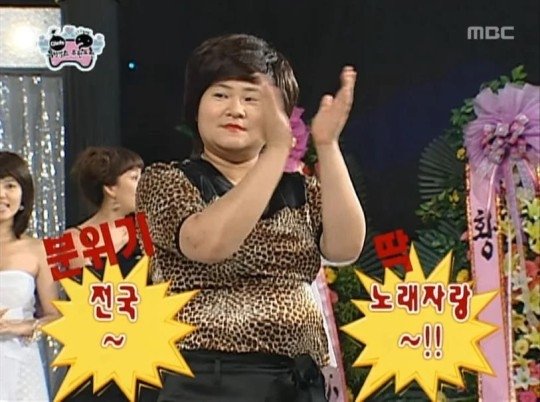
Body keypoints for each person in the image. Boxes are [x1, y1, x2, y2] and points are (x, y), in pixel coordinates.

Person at [136, 34, 366, 402]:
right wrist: (277, 150)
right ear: (195, 106)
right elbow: (207, 243)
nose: (236, 110)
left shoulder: (300, 189)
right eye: (220, 95)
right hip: (204, 382)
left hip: (297, 381)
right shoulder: (166, 181)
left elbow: (344, 247)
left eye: (251, 98)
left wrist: (327, 144)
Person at [62, 146, 158, 401]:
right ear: (110, 188)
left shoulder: (147, 232)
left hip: (143, 357)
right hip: (95, 359)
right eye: (135, 178)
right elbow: (73, 302)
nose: (144, 186)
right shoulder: (70, 239)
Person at [0, 151, 59, 402]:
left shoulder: (39, 250)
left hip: (21, 364)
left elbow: (56, 315)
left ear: (23, 196)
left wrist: (21, 327)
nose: (2, 194)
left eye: (10, 186)